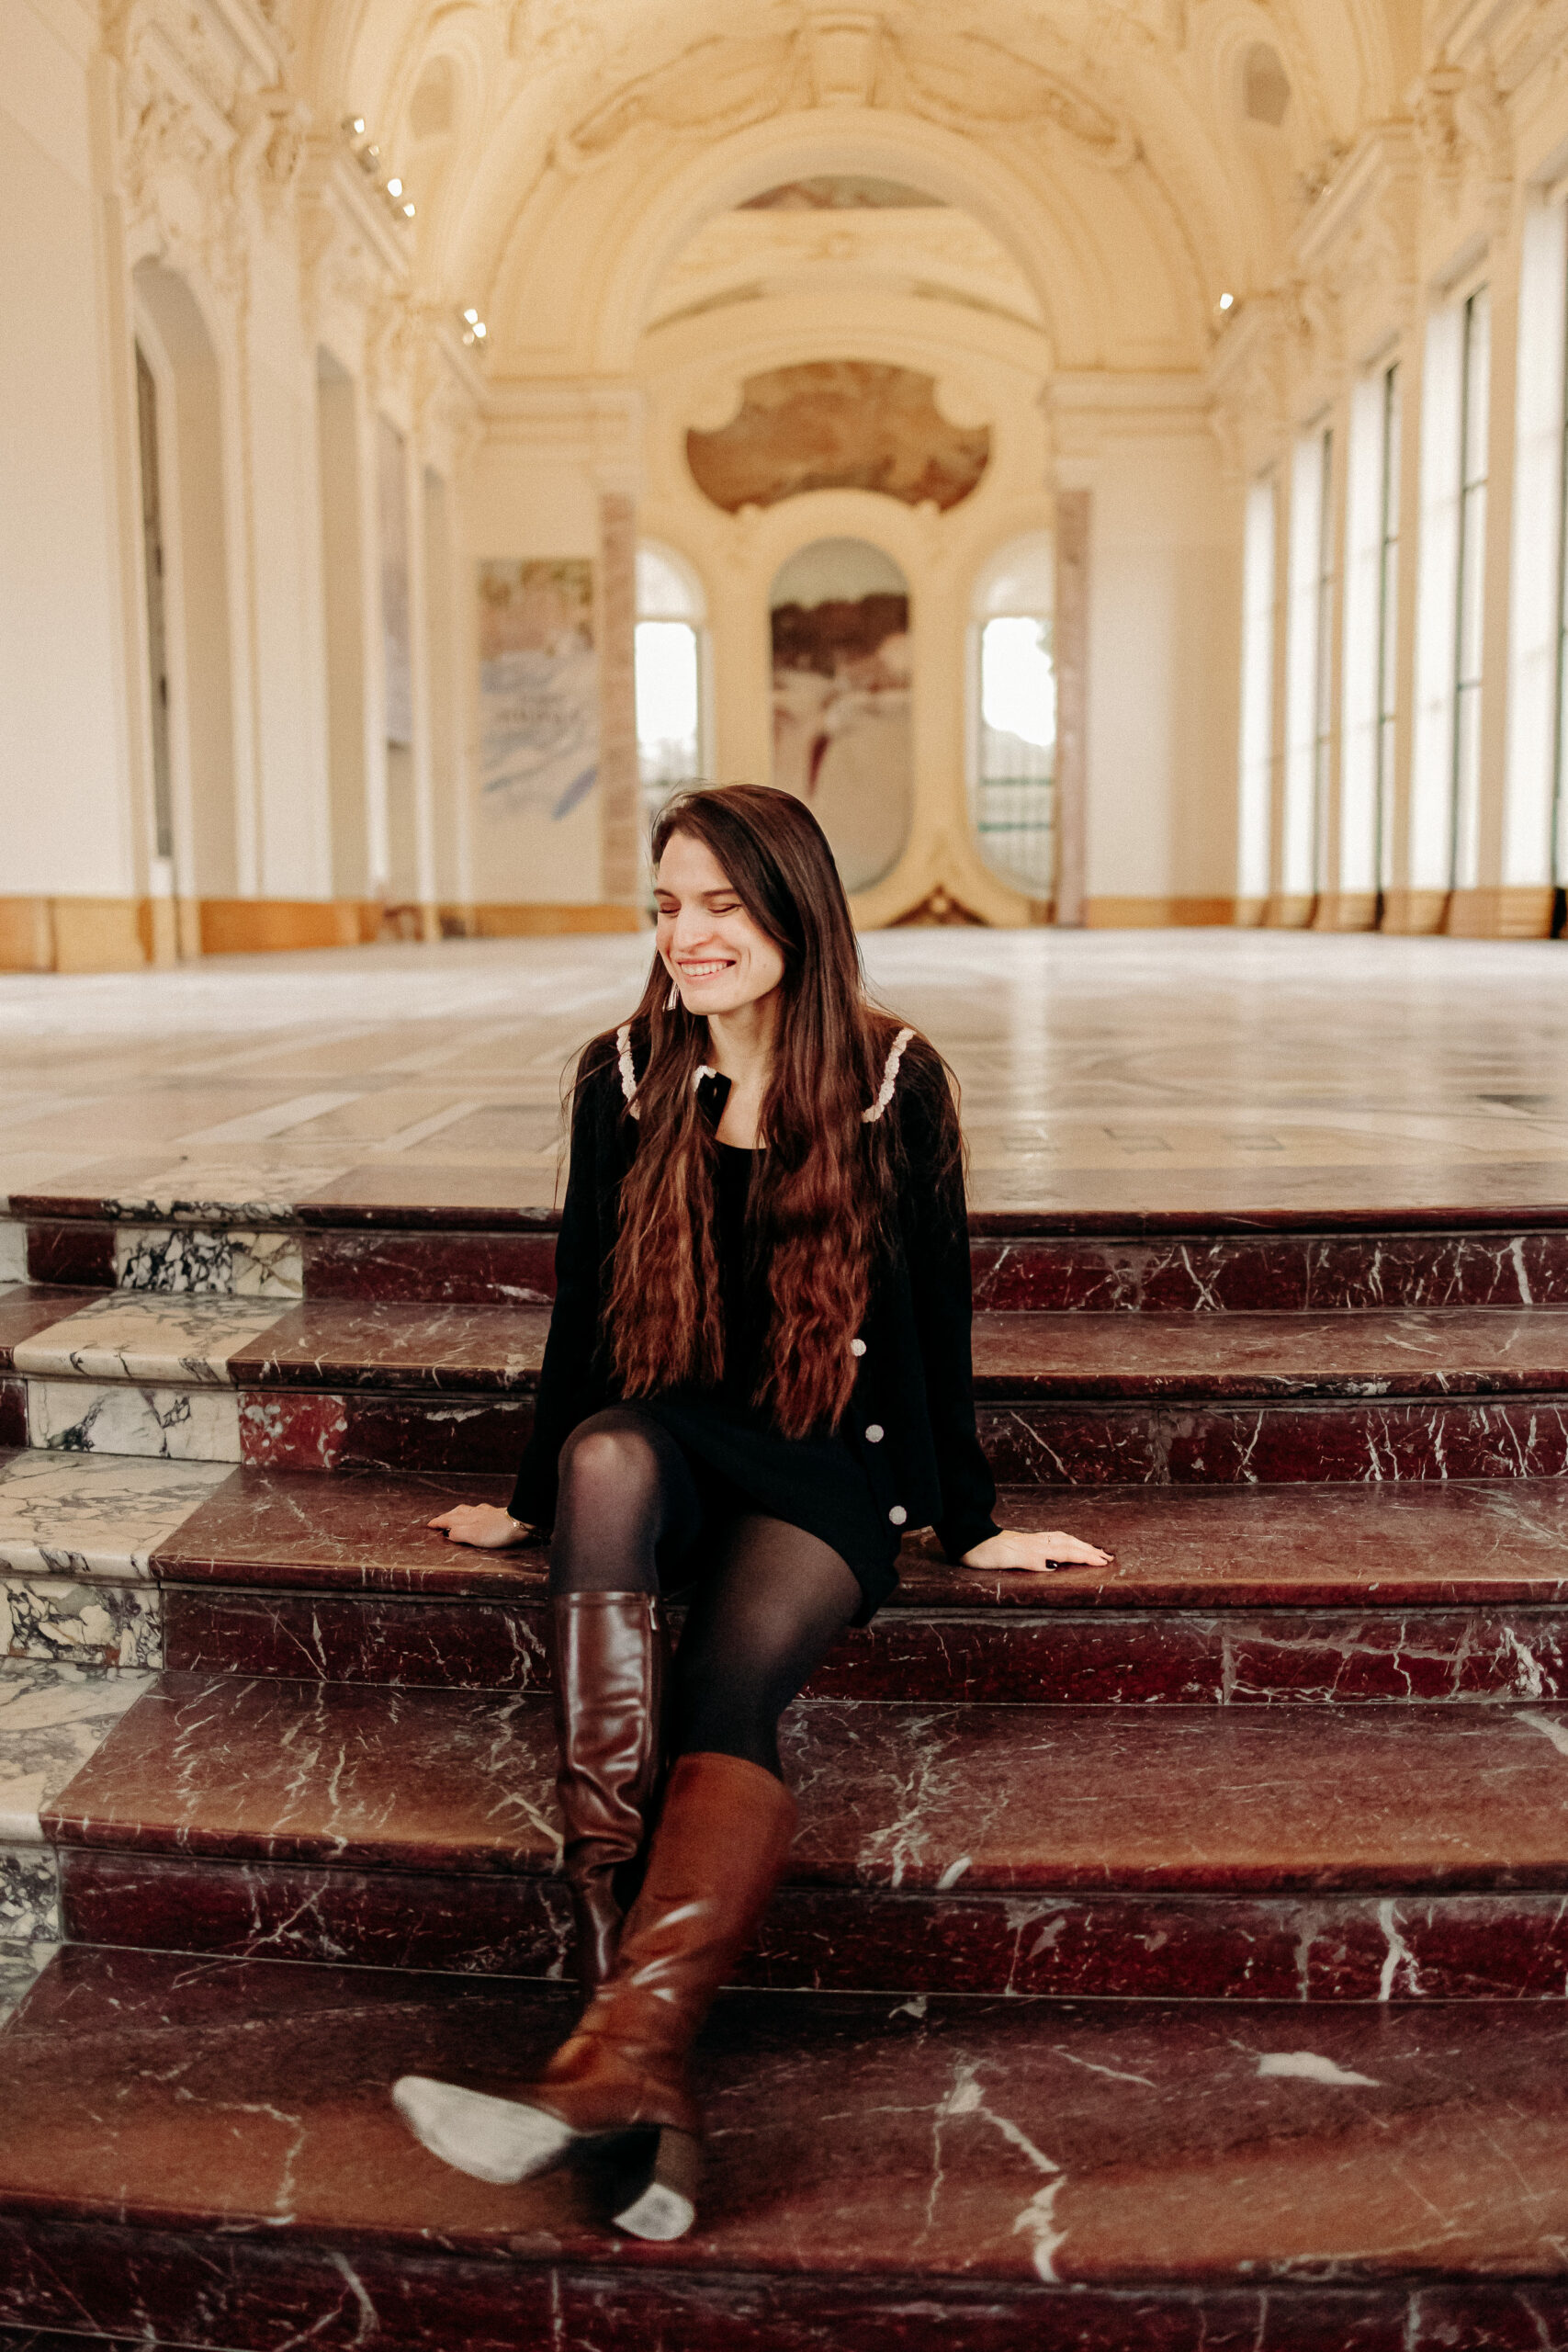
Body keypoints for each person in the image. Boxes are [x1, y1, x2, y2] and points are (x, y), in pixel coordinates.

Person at [393, 783, 1108, 2241]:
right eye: (667, 905)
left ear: (794, 908)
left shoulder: (894, 1077)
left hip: (825, 1460)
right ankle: (625, 2054)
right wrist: (528, 1499)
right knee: (604, 1460)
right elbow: (586, 1314)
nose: (688, 935)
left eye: (721, 903)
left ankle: (625, 2067)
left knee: (725, 1700)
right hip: (668, 1431)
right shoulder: (624, 1072)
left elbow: (931, 1322)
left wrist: (965, 1519)